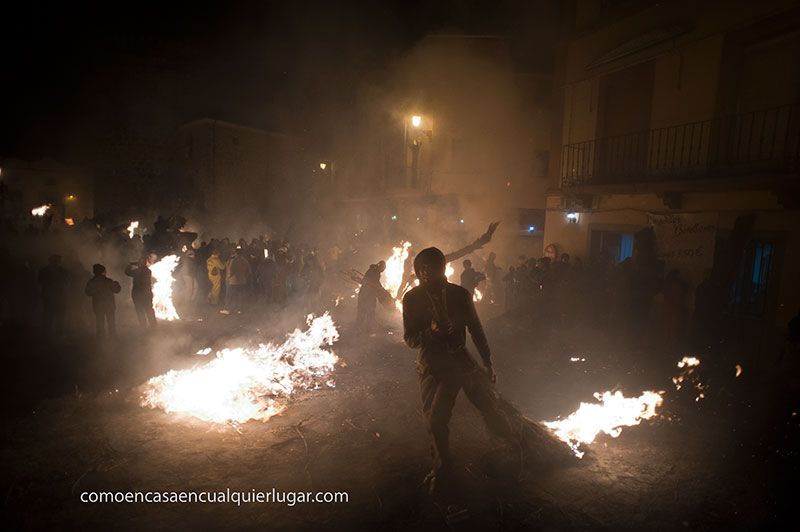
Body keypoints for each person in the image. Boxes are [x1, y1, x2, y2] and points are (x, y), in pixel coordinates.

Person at [402, 247, 514, 494]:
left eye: (437, 268)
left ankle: (512, 447)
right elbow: (410, 339)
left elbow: (476, 329)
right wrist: (431, 332)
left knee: (489, 405)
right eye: (428, 270)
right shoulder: (412, 299)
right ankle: (442, 470)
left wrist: (488, 362)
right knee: (436, 419)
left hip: (462, 362)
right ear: (422, 271)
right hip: (434, 368)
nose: (432, 273)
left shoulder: (460, 295)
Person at [84, 264, 121, 339]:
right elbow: (117, 290)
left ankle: (100, 339)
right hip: (109, 306)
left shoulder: (92, 282)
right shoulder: (108, 281)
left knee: (99, 322)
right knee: (111, 323)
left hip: (98, 306)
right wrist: (117, 284)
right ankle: (112, 338)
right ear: (103, 272)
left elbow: (88, 292)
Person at [38, 254, 69, 333]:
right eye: (55, 261)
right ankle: (50, 331)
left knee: (57, 315)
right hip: (52, 296)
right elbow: (41, 281)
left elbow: (67, 282)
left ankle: (56, 331)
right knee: (50, 314)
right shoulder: (45, 271)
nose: (56, 263)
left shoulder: (62, 271)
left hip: (58, 296)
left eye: (57, 261)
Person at [125, 253, 157, 328]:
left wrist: (131, 264)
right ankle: (153, 326)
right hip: (146, 294)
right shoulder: (147, 271)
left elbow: (127, 272)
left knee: (140, 311)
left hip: (138, 294)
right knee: (148, 309)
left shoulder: (138, 271)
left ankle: (144, 326)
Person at [355, 260, 387, 332]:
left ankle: (359, 327)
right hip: (368, 294)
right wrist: (381, 289)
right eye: (383, 268)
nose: (383, 270)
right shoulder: (375, 272)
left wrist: (381, 288)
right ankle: (367, 328)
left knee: (362, 311)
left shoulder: (373, 270)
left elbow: (375, 283)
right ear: (381, 266)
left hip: (365, 293)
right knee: (369, 311)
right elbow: (374, 283)